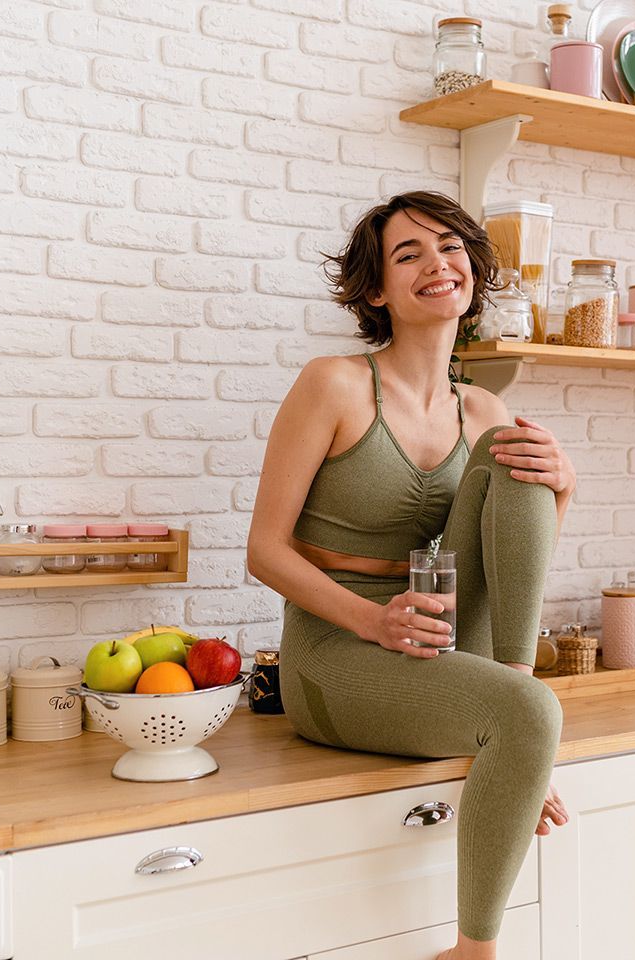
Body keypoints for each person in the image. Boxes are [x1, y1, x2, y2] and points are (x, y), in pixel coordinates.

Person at [246, 191, 577, 960]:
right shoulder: (332, 384)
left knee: (520, 453)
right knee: (527, 714)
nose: (439, 263)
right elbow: (264, 550)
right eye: (410, 254)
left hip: (447, 639)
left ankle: (516, 707)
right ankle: (474, 953)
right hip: (337, 655)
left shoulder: (484, 406)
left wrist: (566, 486)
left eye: (452, 247)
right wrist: (372, 621)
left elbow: (511, 555)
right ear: (376, 290)